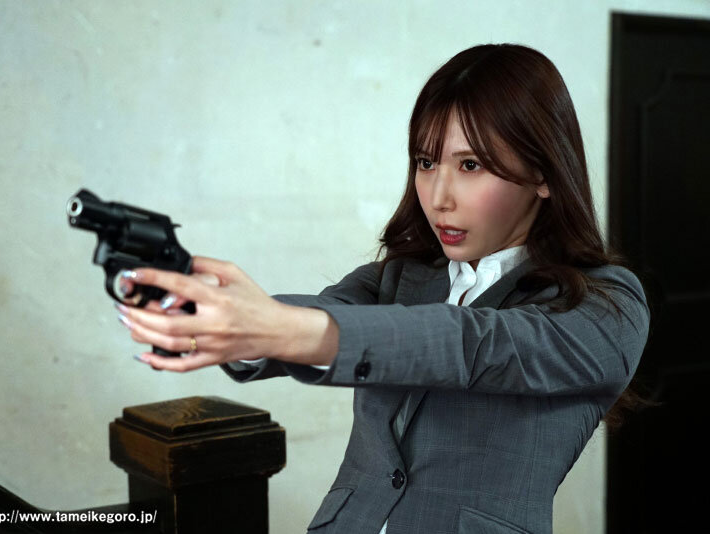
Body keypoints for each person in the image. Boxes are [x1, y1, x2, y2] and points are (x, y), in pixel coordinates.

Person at [113, 43, 650, 534]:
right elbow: (323, 314)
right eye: (426, 162)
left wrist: (275, 327)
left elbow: (474, 343)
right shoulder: (403, 276)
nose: (438, 197)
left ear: (543, 174)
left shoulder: (606, 307)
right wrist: (208, 314)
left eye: (471, 165)